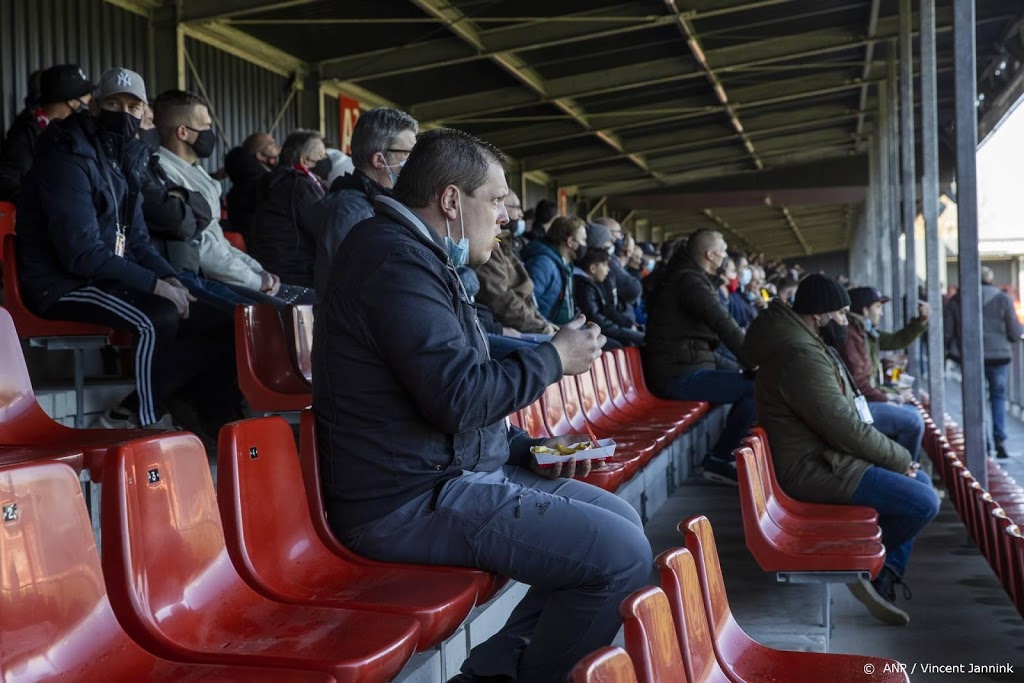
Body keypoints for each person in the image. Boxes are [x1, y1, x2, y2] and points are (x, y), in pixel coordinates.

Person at [313, 126, 652, 683]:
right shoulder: (391, 261)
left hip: (451, 472)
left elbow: (446, 384)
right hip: (405, 500)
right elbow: (459, 397)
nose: (506, 217)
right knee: (617, 554)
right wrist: (552, 360)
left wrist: (527, 446)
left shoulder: (417, 256)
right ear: (451, 201)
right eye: (495, 201)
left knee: (618, 518)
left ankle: (495, 673)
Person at [15, 67, 239, 430]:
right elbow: (81, 253)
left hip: (102, 276)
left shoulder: (126, 161)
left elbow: (136, 240)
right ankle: (142, 421)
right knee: (159, 315)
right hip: (61, 283)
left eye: (133, 106)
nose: (123, 112)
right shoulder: (67, 158)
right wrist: (157, 286)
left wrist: (170, 277)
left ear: (143, 113)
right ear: (94, 108)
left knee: (225, 320)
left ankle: (184, 416)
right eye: (113, 103)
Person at [743, 274, 939, 625]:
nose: (846, 323)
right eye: (842, 314)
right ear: (819, 314)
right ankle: (865, 565)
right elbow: (843, 427)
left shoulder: (807, 343)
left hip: (827, 457)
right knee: (923, 500)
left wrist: (899, 462)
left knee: (921, 487)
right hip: (813, 467)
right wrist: (899, 459)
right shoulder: (800, 356)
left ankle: (883, 571)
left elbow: (842, 422)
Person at [152, 90, 313, 306]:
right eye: (206, 126)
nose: (211, 133)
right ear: (183, 132)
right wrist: (253, 280)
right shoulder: (163, 171)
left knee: (313, 301)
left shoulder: (195, 171)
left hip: (230, 274)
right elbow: (203, 247)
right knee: (284, 314)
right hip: (201, 278)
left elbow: (219, 240)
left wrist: (258, 270)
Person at [642, 229, 756, 482]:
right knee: (757, 388)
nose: (726, 256)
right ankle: (720, 458)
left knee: (752, 379)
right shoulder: (690, 281)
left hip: (687, 366)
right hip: (678, 375)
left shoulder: (690, 277)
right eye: (724, 251)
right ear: (710, 254)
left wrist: (748, 365)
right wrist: (755, 360)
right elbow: (723, 323)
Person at [315, 107, 418, 299]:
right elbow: (369, 285)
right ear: (379, 160)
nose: (415, 162)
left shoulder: (382, 204)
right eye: (408, 154)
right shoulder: (350, 211)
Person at [838, 287, 928, 461]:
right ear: (865, 310)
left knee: (912, 412)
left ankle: (901, 466)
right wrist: (889, 397)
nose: (882, 313)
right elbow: (860, 382)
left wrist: (884, 365)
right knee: (913, 421)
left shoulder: (864, 331)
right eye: (878, 307)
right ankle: (905, 468)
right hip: (857, 405)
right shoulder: (852, 334)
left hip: (865, 398)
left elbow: (863, 368)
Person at [945, 267, 1024, 458]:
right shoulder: (1003, 298)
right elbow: (1014, 331)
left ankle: (983, 443)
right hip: (998, 356)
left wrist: (950, 351)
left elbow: (948, 330)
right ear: (991, 279)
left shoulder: (958, 300)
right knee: (998, 397)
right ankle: (1000, 438)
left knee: (975, 398)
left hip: (970, 357)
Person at [1, 64, 95, 201]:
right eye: (87, 97)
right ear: (72, 101)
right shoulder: (27, 133)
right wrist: (47, 201)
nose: (90, 102)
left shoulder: (77, 131)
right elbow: (8, 181)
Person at [248, 129, 328, 289]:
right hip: (298, 274)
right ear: (304, 161)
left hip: (272, 268)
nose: (326, 160)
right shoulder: (301, 186)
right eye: (321, 156)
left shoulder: (273, 180)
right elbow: (325, 230)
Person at [474, 190, 557, 335]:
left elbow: (526, 298)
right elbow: (501, 300)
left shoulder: (507, 245)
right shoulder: (489, 249)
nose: (521, 214)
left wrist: (543, 323)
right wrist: (541, 328)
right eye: (516, 208)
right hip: (515, 330)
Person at [523, 215, 587, 325]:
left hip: (564, 329)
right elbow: (528, 303)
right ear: (570, 242)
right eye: (583, 240)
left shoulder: (566, 265)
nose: (585, 244)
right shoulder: (543, 264)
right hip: (547, 332)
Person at [573, 247, 644, 348]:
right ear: (593, 268)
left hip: (604, 329)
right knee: (630, 342)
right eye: (605, 265)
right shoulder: (584, 287)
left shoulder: (594, 284)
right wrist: (622, 331)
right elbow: (595, 319)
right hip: (591, 332)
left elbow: (607, 309)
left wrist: (628, 324)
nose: (608, 269)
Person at [223, 131, 279, 236]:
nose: (278, 149)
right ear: (260, 156)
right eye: (272, 145)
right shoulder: (262, 185)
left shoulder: (247, 181)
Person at [593, 216, 642, 324]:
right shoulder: (608, 261)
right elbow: (633, 288)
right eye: (618, 232)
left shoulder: (612, 259)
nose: (621, 236)